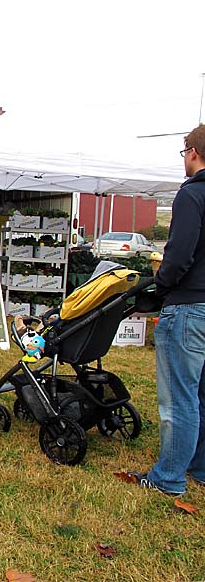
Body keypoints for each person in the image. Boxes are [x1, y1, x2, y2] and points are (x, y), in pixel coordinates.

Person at [130, 124, 205, 495]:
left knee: (179, 396)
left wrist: (162, 285)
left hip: (190, 306)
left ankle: (170, 476)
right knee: (201, 392)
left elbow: (179, 254)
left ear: (192, 152)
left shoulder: (192, 195)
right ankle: (199, 465)